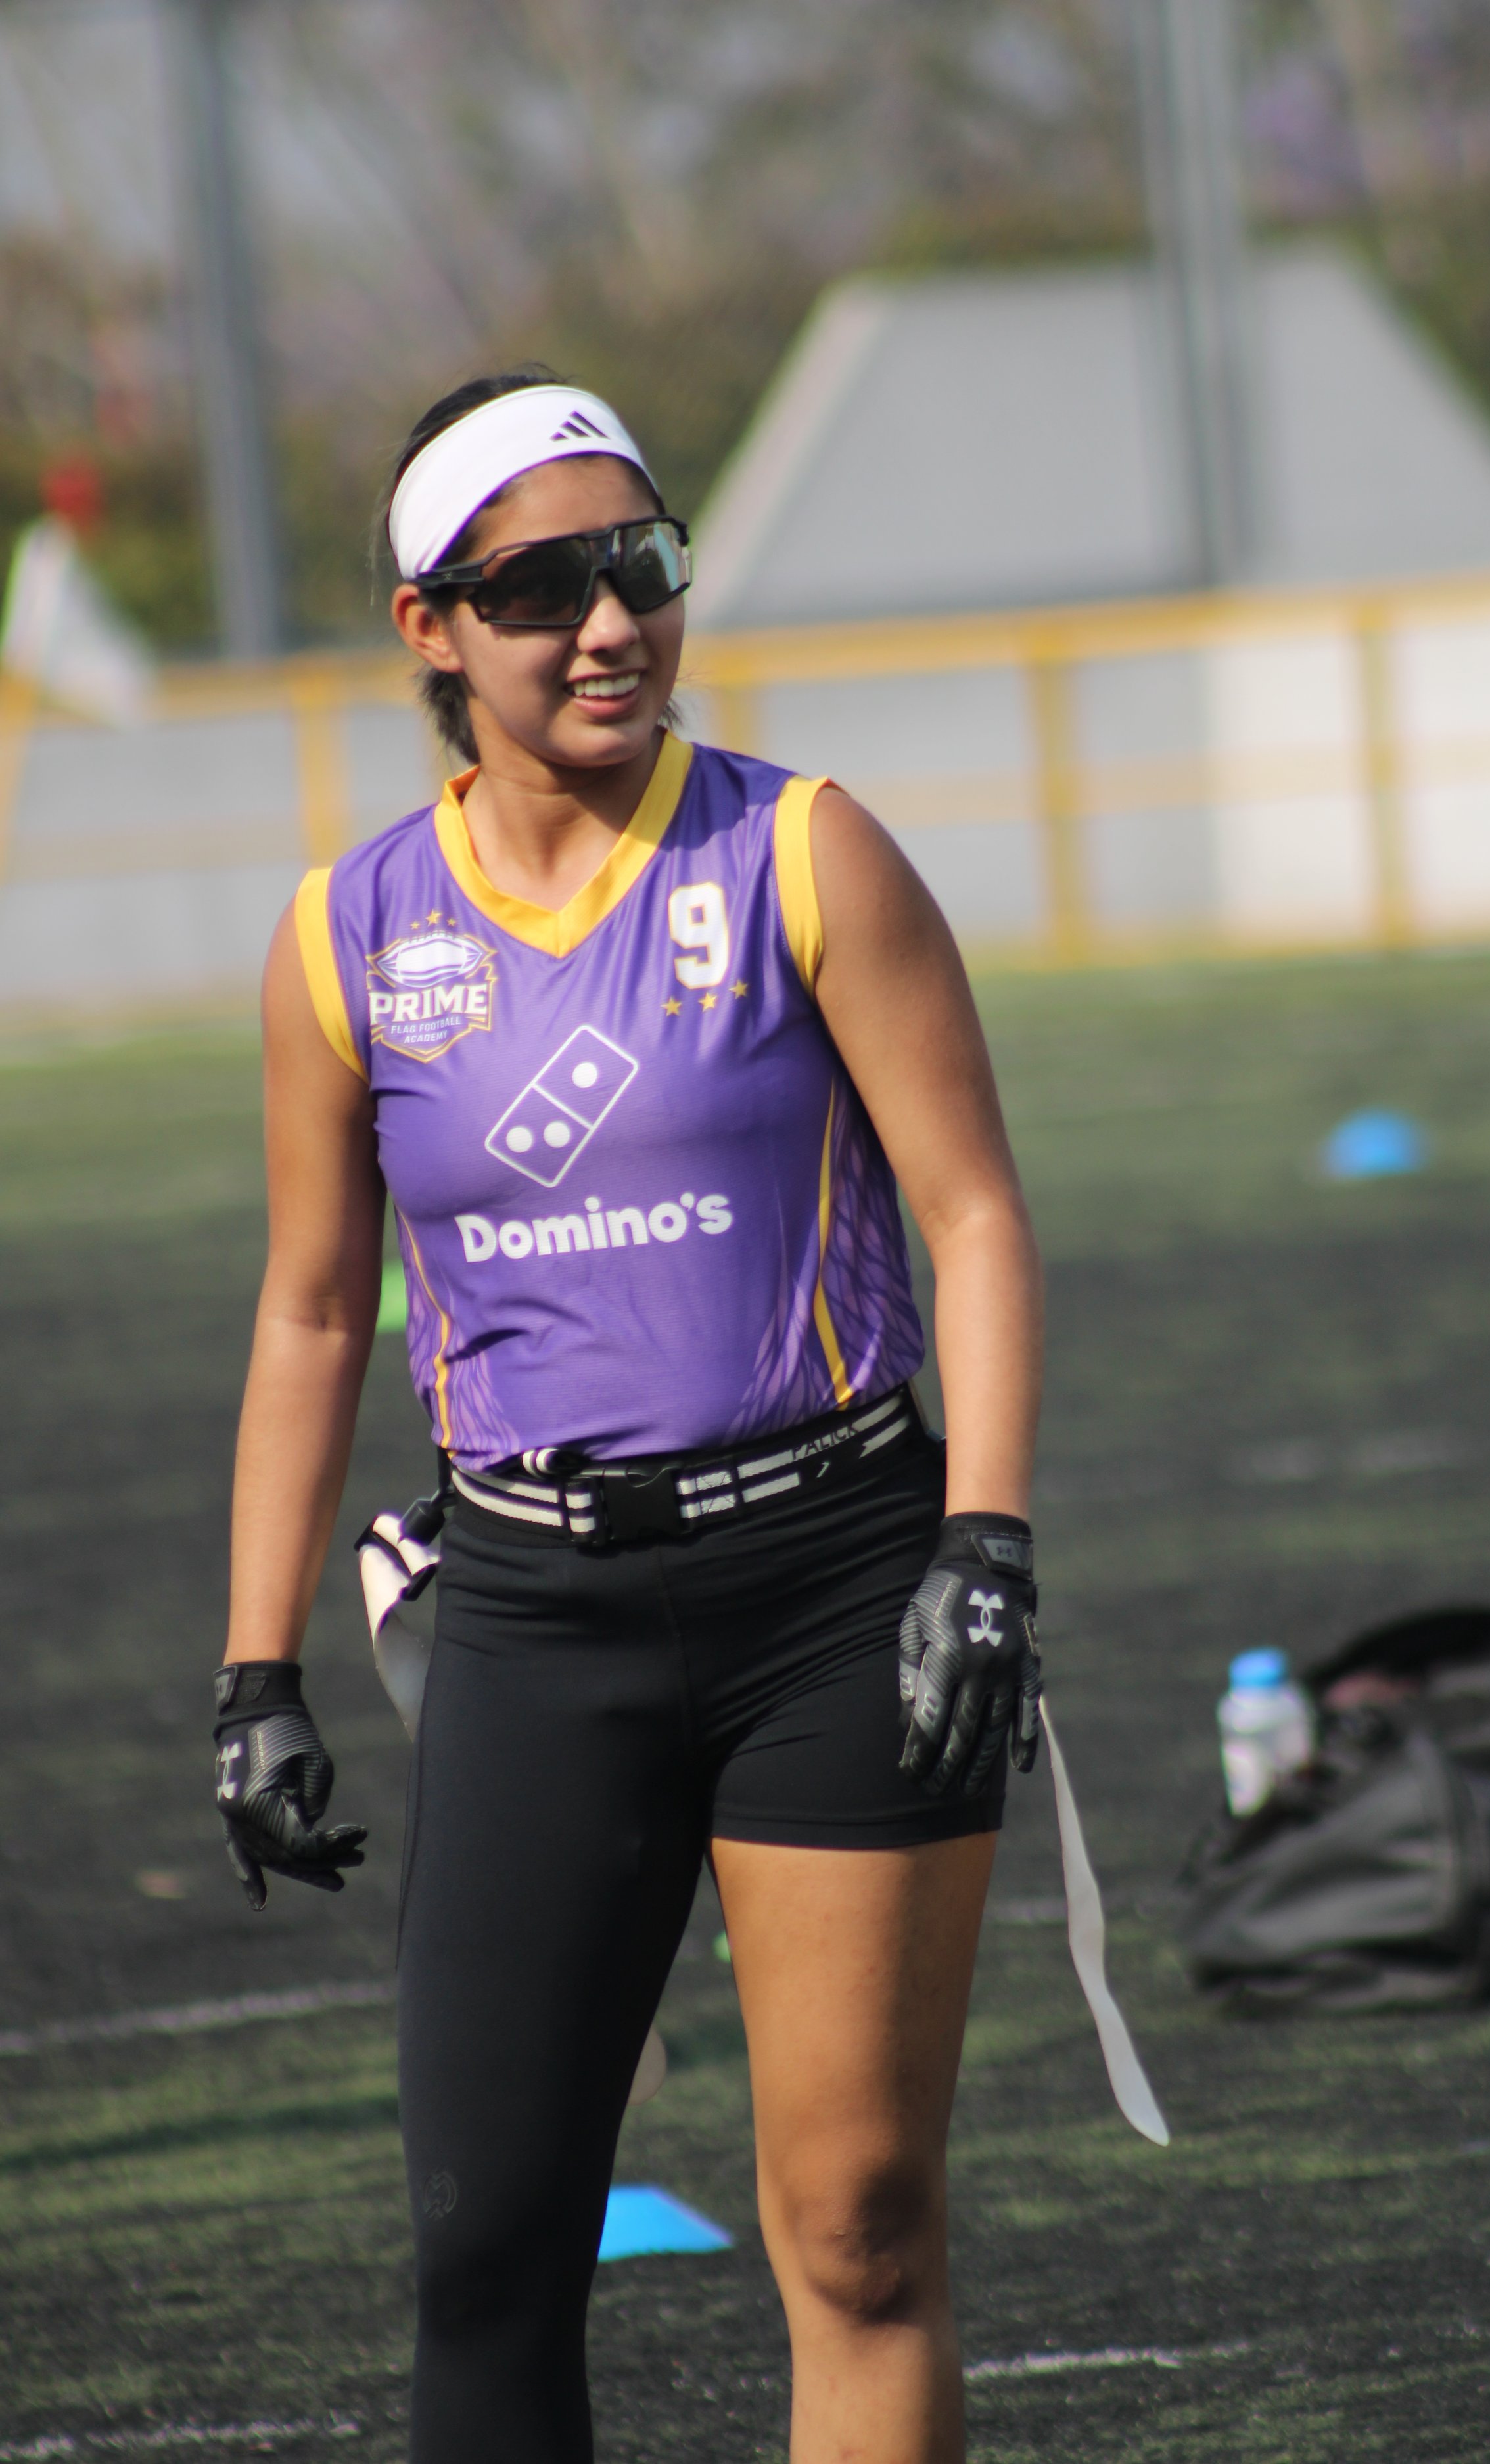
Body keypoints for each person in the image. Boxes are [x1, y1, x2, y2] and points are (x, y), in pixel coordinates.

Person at [211, 367, 1044, 2464]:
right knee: (488, 2247)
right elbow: (313, 1313)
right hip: (529, 1613)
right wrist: (254, 1673)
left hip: (842, 1589)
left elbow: (973, 1212)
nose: (611, 624)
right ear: (429, 627)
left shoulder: (805, 851)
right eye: (545, 585)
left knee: (854, 2229)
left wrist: (987, 1543)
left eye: (644, 564)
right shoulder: (345, 939)